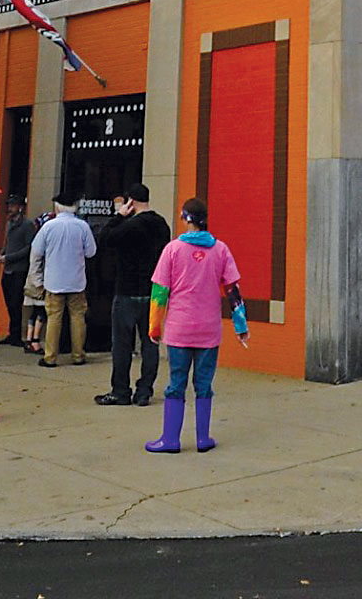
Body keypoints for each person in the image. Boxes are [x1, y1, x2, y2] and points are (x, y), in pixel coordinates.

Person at [145, 197, 249, 454]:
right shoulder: (221, 250)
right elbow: (233, 291)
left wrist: (154, 327)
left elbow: (159, 293)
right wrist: (241, 326)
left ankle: (170, 439)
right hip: (209, 330)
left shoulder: (172, 250)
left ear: (184, 218)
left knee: (175, 384)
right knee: (204, 385)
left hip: (180, 329)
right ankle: (203, 438)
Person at [95, 184, 172, 407]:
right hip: (153, 292)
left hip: (127, 290)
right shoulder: (161, 225)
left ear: (131, 202)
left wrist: (118, 216)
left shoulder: (128, 226)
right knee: (150, 344)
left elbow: (105, 239)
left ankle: (121, 390)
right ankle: (144, 391)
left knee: (122, 345)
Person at [31, 192, 96, 366]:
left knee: (53, 318)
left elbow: (36, 251)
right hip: (76, 280)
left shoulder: (49, 227)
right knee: (77, 317)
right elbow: (91, 252)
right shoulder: (82, 226)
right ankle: (78, 355)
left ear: (58, 206)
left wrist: (37, 278)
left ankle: (50, 356)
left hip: (54, 281)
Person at [0, 195, 38, 347]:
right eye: (9, 205)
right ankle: (12, 333)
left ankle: (16, 334)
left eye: (13, 206)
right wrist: (2, 253)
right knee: (9, 302)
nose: (10, 208)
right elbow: (7, 242)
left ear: (20, 207)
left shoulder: (27, 225)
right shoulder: (9, 224)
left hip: (19, 269)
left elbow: (29, 247)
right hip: (8, 268)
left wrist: (9, 257)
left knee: (16, 302)